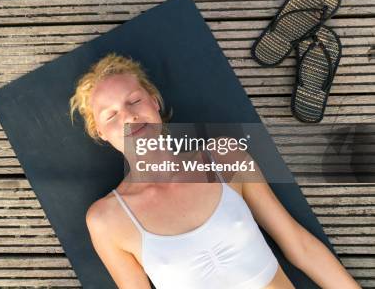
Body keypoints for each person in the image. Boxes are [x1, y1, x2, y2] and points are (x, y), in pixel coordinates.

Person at [69, 53, 360, 289]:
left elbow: (298, 245)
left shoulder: (224, 156)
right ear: (101, 133)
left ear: (154, 102)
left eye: (134, 101)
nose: (129, 116)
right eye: (110, 115)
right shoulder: (107, 219)